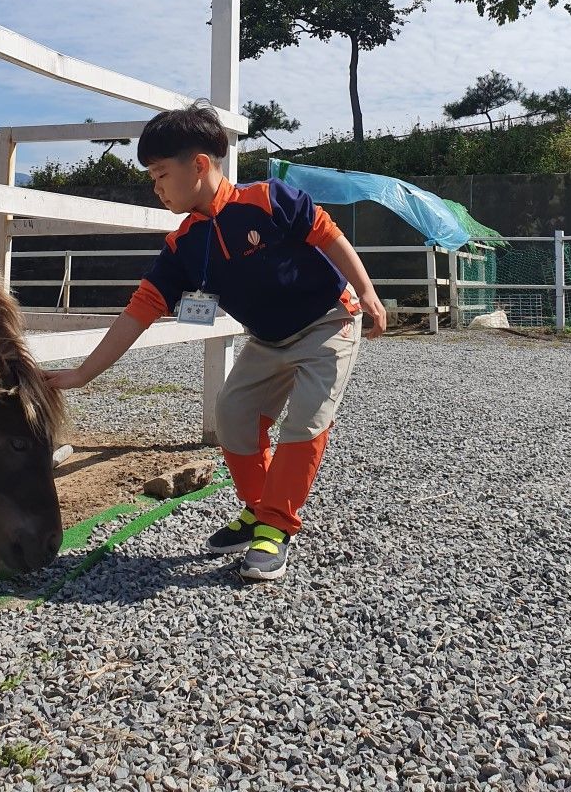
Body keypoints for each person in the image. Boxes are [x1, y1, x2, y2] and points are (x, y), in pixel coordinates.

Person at [45, 101, 386, 581]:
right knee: (233, 415)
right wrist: (84, 372)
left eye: (161, 174)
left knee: (305, 422)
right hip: (268, 341)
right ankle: (260, 507)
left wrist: (368, 292)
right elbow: (139, 311)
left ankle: (275, 527)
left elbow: (328, 235)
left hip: (329, 323)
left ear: (199, 165)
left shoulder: (269, 200)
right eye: (151, 177)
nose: (156, 187)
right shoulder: (184, 244)